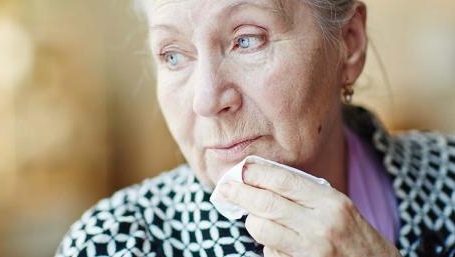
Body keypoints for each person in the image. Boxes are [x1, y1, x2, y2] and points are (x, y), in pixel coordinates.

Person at [55, 0, 455, 256]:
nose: (208, 100)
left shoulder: (448, 179)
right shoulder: (113, 243)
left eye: (247, 40)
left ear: (348, 42)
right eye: (173, 55)